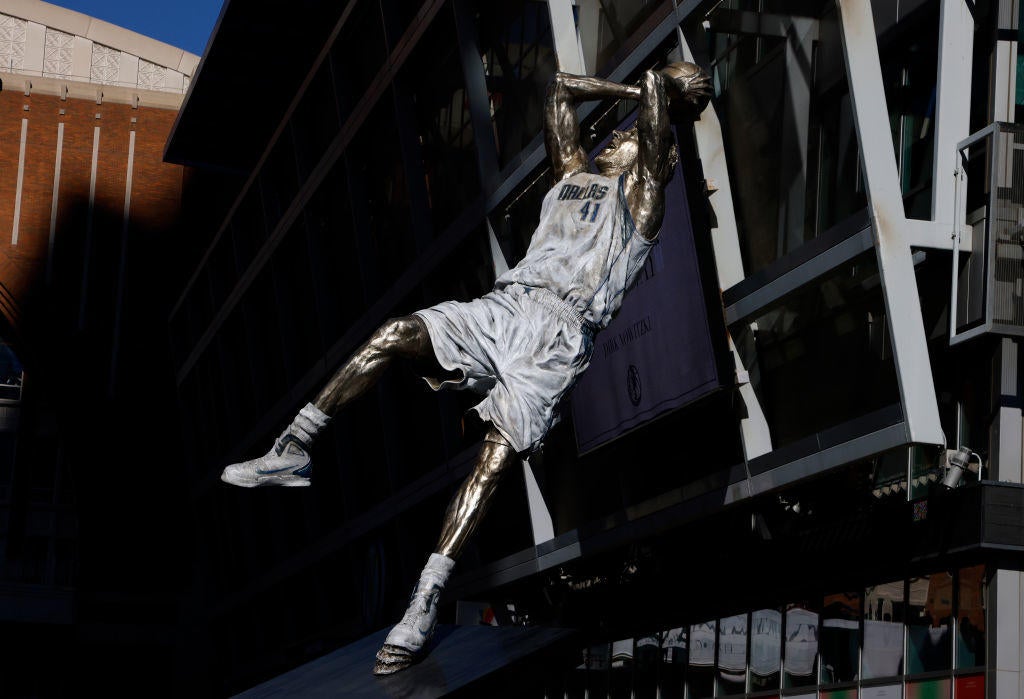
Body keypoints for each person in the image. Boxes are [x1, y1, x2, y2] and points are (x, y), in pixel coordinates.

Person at [220, 61, 712, 675]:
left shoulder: (642, 200)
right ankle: (295, 445)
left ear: (655, 154)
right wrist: (631, 90)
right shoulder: (573, 175)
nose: (617, 136)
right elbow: (559, 86)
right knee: (396, 333)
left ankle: (424, 600)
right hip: (508, 305)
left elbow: (659, 103)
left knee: (492, 460)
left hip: (558, 336)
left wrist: (662, 92)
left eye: (631, 135)